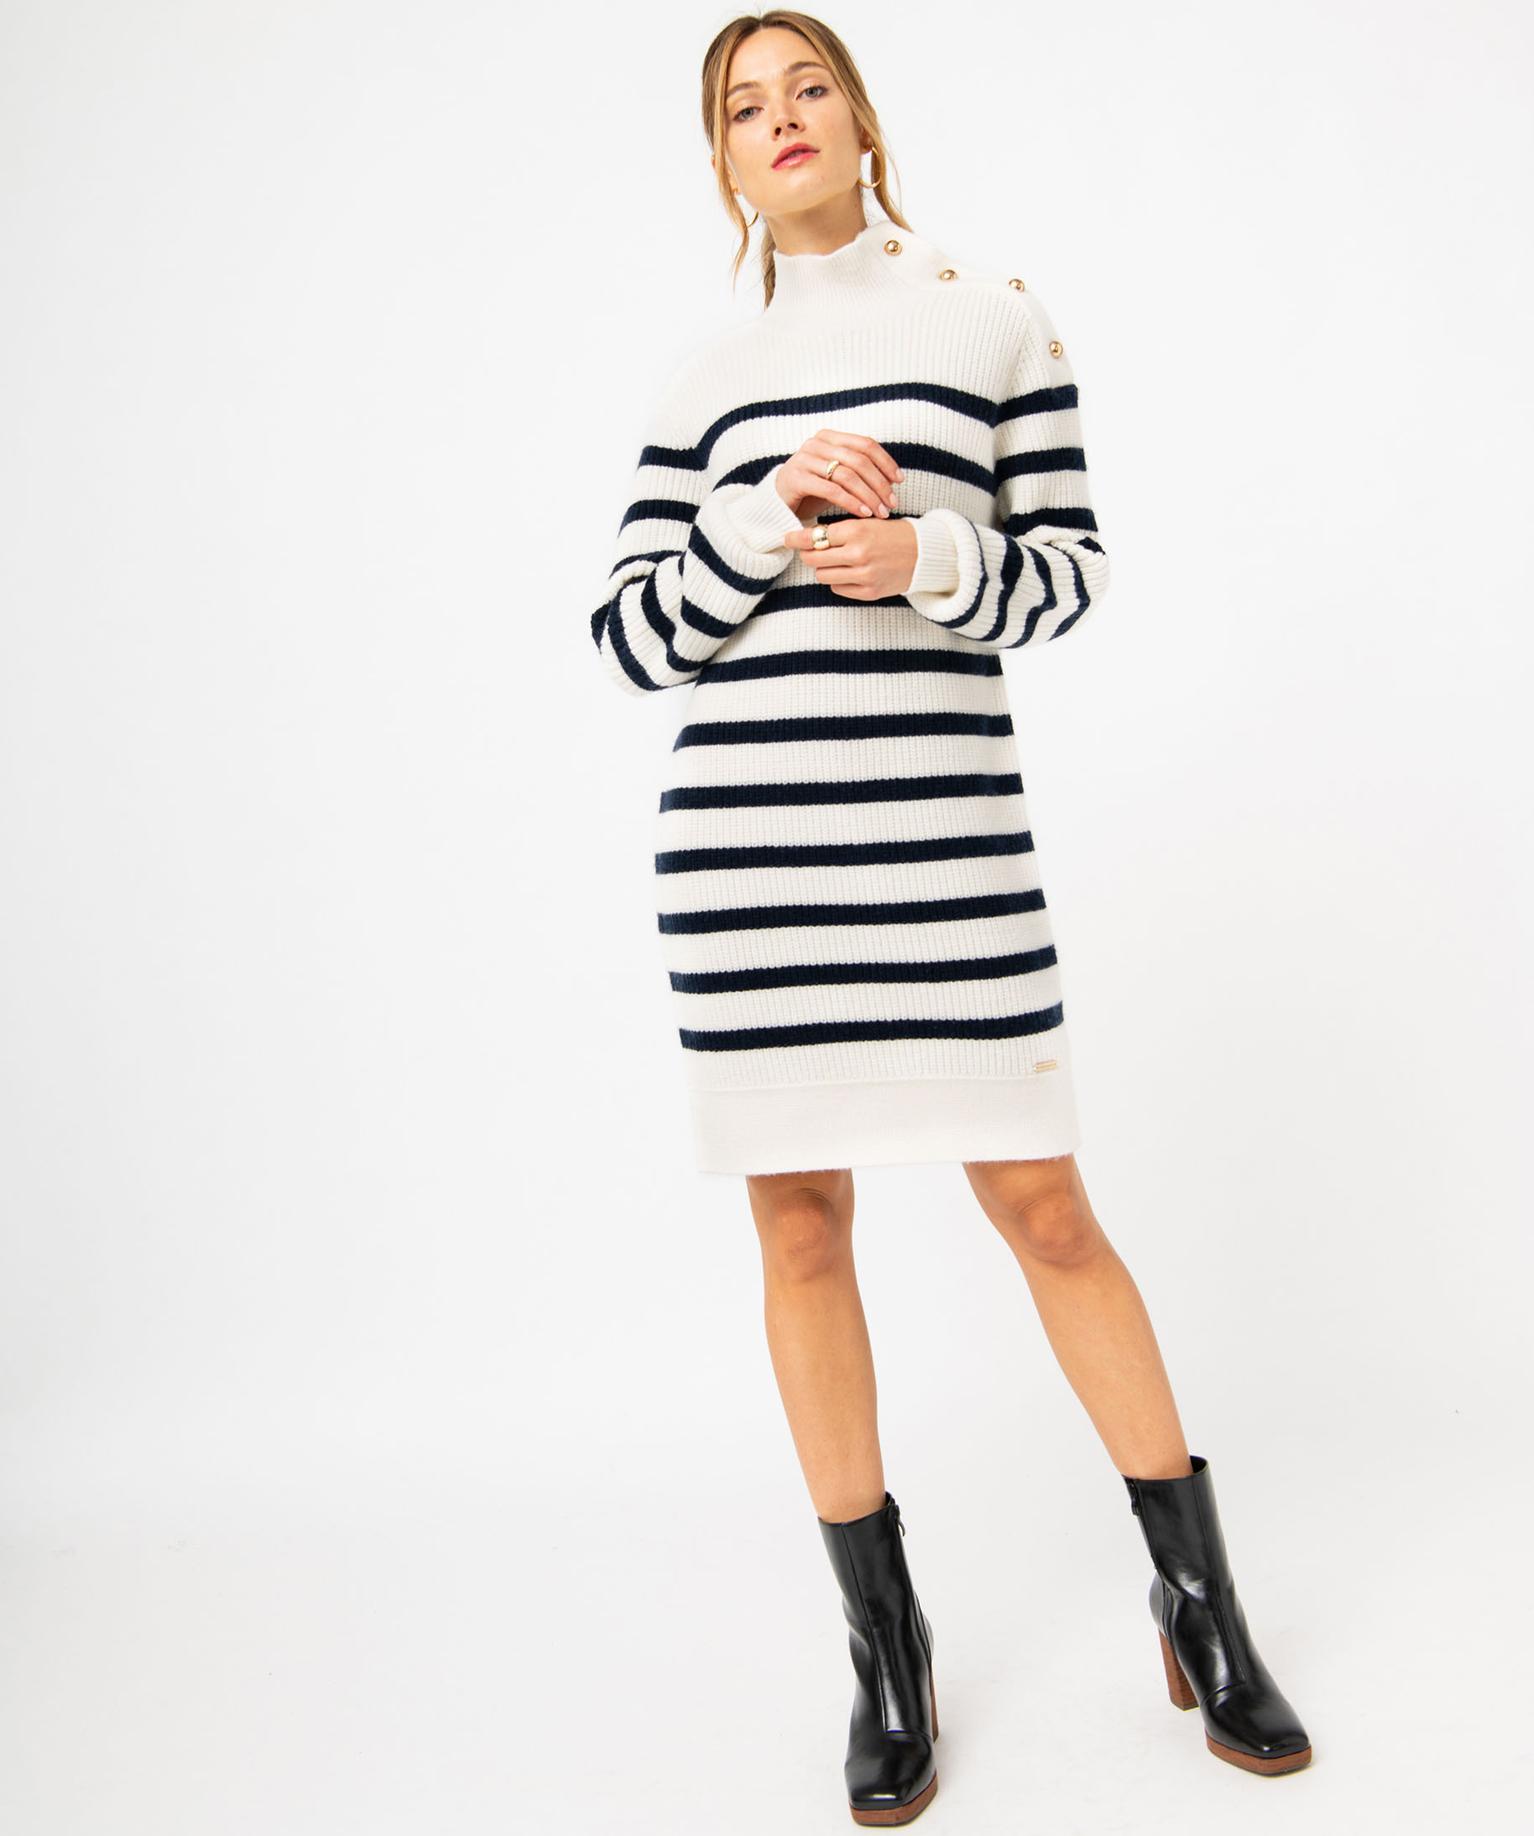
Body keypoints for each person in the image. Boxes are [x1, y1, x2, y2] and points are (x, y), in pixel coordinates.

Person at [590, 11, 1313, 1824]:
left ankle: (1199, 1605)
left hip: (944, 850)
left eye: (805, 87)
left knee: (1044, 1206)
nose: (778, 119)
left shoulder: (992, 322)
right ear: (718, 158)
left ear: (859, 117)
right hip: (751, 866)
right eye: (741, 105)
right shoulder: (703, 380)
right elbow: (632, 639)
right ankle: (885, 1646)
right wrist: (760, 519)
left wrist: (926, 557)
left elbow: (1063, 575)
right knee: (800, 1228)